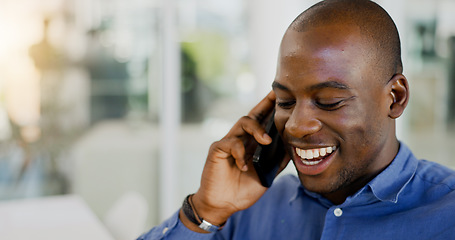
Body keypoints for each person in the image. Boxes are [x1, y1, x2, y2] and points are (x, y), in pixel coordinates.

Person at [138, 0, 455, 239]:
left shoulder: (446, 214)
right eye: (286, 101)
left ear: (395, 97)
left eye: (329, 101)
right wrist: (204, 212)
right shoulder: (247, 208)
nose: (295, 126)